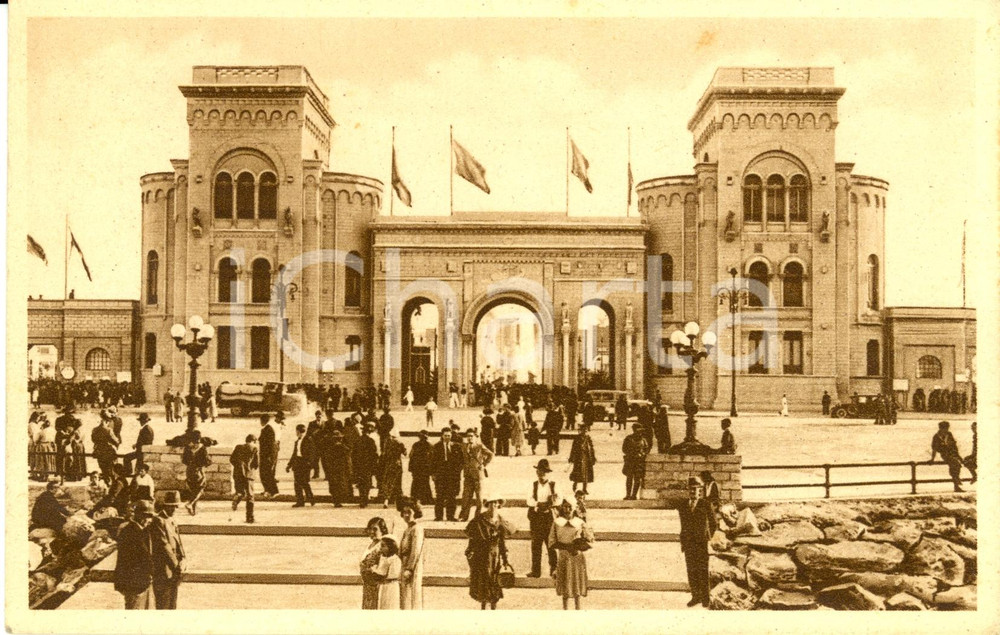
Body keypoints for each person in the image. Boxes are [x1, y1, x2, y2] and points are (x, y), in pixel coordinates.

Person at [464, 493, 513, 610]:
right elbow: (471, 535)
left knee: (494, 580)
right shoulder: (479, 519)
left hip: (495, 555)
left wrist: (505, 558)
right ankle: (483, 607)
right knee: (482, 580)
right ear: (488, 505)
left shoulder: (500, 521)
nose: (494, 506)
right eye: (491, 503)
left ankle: (493, 607)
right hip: (481, 555)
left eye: (496, 503)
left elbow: (504, 538)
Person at [678, 476, 716, 608]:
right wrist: (683, 541)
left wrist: (709, 538)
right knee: (691, 570)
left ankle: (705, 598)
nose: (694, 493)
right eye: (691, 490)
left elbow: (713, 523)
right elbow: (683, 525)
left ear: (701, 490)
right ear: (688, 491)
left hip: (701, 543)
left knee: (703, 570)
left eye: (696, 490)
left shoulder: (706, 504)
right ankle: (695, 596)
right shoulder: (683, 506)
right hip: (688, 543)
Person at [548, 499, 593, 609]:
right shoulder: (557, 522)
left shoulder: (580, 522)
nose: (567, 509)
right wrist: (567, 547)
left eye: (570, 507)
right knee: (565, 584)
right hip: (564, 556)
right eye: (565, 507)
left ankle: (578, 608)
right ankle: (565, 609)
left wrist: (581, 542)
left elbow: (589, 538)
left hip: (577, 556)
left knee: (576, 582)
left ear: (574, 508)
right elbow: (552, 542)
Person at [115, 500, 156, 610]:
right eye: (147, 516)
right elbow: (138, 558)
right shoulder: (130, 532)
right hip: (134, 584)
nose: (149, 520)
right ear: (139, 516)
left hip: (142, 582)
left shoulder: (141, 530)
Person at [150, 491, 186, 609]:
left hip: (174, 570)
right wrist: (176, 565)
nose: (174, 509)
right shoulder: (158, 521)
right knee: (163, 605)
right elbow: (164, 545)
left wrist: (183, 559)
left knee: (172, 604)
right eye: (172, 506)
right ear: (166, 506)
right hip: (163, 570)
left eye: (176, 506)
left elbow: (178, 543)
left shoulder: (172, 520)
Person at [527, 459, 560, 578]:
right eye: (540, 472)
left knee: (550, 544)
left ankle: (554, 570)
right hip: (536, 517)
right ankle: (536, 571)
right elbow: (529, 499)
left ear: (548, 473)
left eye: (544, 472)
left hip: (548, 518)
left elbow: (559, 499)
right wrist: (537, 504)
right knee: (536, 545)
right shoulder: (534, 485)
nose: (541, 474)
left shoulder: (553, 485)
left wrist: (550, 502)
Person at [458, 429, 494, 522]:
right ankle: (463, 516)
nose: (469, 438)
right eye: (468, 436)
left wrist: (484, 464)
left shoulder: (479, 446)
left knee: (479, 498)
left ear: (475, 437)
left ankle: (478, 517)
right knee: (466, 497)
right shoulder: (463, 446)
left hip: (478, 474)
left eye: (471, 436)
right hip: (467, 475)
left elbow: (491, 454)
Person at [397, 497, 426, 610]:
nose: (406, 515)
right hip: (404, 564)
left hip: (412, 567)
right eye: (404, 512)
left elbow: (415, 551)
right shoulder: (407, 529)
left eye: (409, 512)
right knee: (405, 596)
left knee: (411, 595)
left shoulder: (417, 529)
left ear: (416, 513)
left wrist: (409, 568)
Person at [431, 427, 462, 521]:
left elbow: (461, 461)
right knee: (439, 495)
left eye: (449, 435)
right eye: (445, 435)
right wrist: (433, 474)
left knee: (452, 496)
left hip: (453, 476)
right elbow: (432, 461)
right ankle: (439, 516)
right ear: (442, 436)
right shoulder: (436, 446)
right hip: (440, 475)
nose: (447, 437)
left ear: (451, 436)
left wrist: (457, 471)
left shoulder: (456, 446)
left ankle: (450, 516)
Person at [360, 517, 389, 609]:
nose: (372, 531)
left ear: (382, 530)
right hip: (368, 586)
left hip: (376, 586)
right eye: (370, 529)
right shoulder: (371, 544)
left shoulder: (382, 546)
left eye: (375, 529)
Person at [230, 434, 259, 524]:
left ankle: (238, 496)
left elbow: (232, 459)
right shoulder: (254, 448)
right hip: (248, 475)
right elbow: (256, 463)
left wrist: (239, 467)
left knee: (241, 492)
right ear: (254, 441)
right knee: (250, 496)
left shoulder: (238, 447)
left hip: (237, 474)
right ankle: (250, 518)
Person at [929, 421, 965, 492]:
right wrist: (932, 459)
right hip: (945, 454)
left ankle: (956, 483)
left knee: (956, 465)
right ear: (941, 428)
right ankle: (957, 482)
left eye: (947, 428)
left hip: (953, 453)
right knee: (955, 464)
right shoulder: (936, 437)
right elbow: (934, 449)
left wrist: (958, 456)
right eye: (945, 428)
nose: (947, 430)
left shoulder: (949, 434)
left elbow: (954, 445)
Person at [368, 536, 402, 610]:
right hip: (383, 586)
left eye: (383, 546)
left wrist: (373, 570)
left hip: (391, 587)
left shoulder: (394, 559)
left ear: (390, 547)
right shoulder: (384, 558)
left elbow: (382, 574)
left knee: (390, 606)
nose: (381, 548)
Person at [182, 431, 211, 515]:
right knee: (201, 488)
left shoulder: (188, 448)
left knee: (193, 490)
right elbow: (207, 461)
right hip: (198, 471)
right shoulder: (202, 448)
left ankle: (193, 511)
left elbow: (184, 460)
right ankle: (190, 504)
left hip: (189, 470)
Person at [287, 424, 316, 507]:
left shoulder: (309, 439)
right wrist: (289, 465)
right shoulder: (297, 441)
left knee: (304, 482)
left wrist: (310, 463)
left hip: (305, 463)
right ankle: (300, 501)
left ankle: (311, 498)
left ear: (298, 431)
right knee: (297, 483)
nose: (296, 432)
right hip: (297, 463)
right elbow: (294, 454)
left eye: (296, 431)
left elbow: (312, 453)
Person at [378, 431, 407, 508]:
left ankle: (386, 500)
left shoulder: (387, 443)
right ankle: (398, 502)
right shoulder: (400, 443)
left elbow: (383, 454)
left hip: (389, 464)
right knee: (398, 483)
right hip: (397, 465)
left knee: (388, 482)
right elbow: (405, 453)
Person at [353, 423, 380, 508]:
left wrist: (355, 464)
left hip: (359, 465)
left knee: (360, 483)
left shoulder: (358, 440)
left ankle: (362, 499)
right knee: (367, 482)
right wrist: (374, 465)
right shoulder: (371, 441)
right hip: (368, 465)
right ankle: (365, 500)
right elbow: (374, 454)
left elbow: (353, 454)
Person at [326, 429, 354, 507]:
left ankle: (336, 501)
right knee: (341, 485)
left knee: (334, 485)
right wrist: (349, 470)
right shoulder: (344, 448)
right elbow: (348, 460)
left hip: (333, 470)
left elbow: (327, 460)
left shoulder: (329, 448)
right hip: (341, 470)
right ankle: (341, 499)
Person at [622, 423, 649, 500]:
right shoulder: (628, 438)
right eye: (638, 431)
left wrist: (642, 454)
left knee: (637, 479)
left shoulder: (643, 440)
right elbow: (624, 449)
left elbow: (646, 449)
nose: (639, 433)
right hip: (630, 461)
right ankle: (628, 495)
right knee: (629, 478)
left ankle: (634, 495)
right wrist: (631, 453)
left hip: (639, 462)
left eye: (640, 431)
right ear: (634, 430)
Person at [568, 423, 596, 495]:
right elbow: (573, 448)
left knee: (586, 474)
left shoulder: (588, 438)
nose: (584, 432)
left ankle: (584, 489)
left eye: (586, 431)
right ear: (580, 431)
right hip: (578, 458)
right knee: (577, 472)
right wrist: (571, 457)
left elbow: (591, 448)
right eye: (583, 430)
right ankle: (575, 486)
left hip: (586, 458)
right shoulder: (577, 438)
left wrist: (593, 457)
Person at [408, 430, 434, 506]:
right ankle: (424, 499)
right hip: (422, 468)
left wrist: (411, 467)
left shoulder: (417, 445)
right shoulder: (429, 445)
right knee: (423, 482)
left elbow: (411, 455)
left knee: (418, 483)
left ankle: (416, 498)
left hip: (420, 468)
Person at [90, 416, 120, 482]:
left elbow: (93, 440)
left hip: (99, 452)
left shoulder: (94, 430)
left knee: (103, 469)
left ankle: (106, 482)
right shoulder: (109, 430)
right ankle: (112, 483)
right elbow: (116, 441)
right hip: (108, 452)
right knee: (111, 469)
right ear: (106, 422)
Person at [258, 414, 280, 499]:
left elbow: (271, 445)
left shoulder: (268, 429)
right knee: (264, 474)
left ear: (263, 420)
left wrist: (270, 457)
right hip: (265, 455)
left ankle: (274, 491)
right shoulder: (267, 429)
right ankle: (267, 490)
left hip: (267, 456)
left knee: (267, 474)